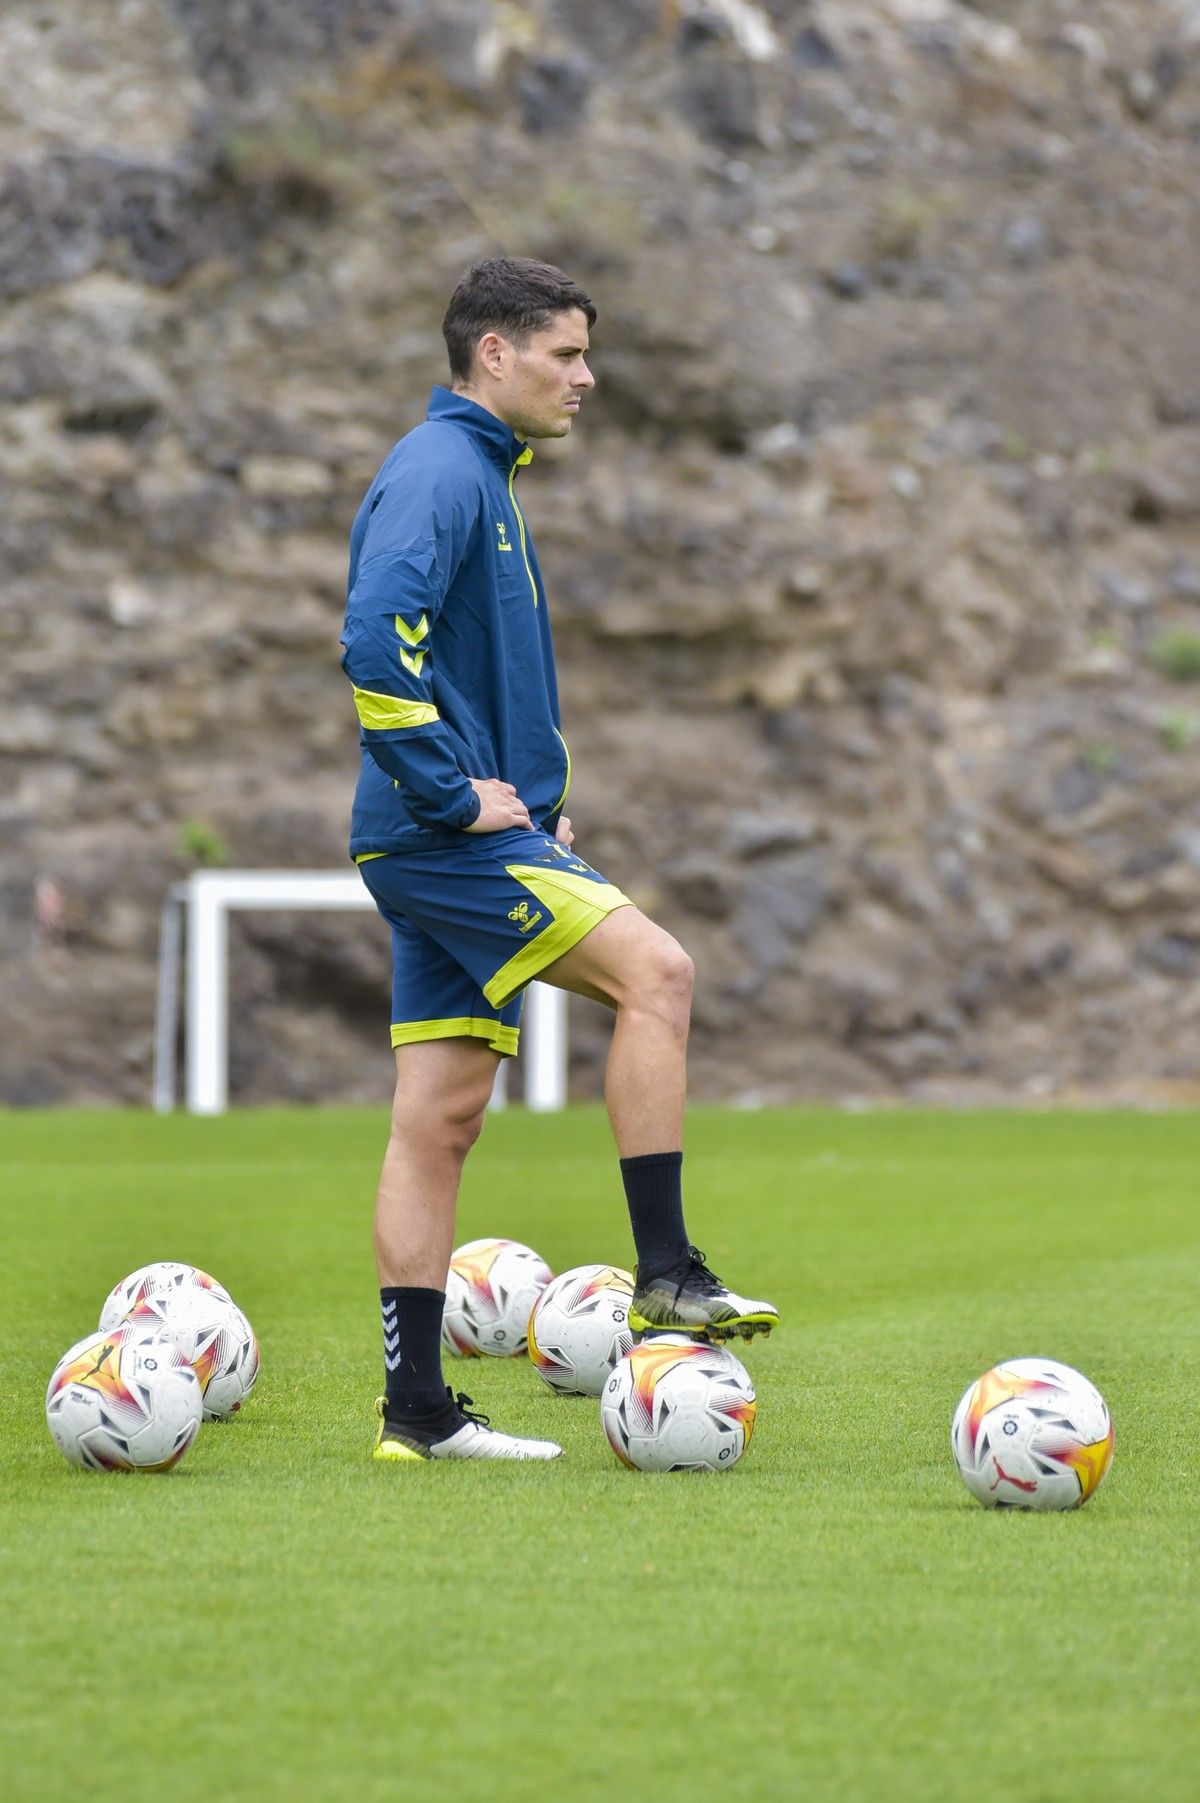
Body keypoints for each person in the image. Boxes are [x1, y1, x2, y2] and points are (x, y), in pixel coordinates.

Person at [340, 256, 778, 1463]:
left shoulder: (477, 472)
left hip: (446, 838)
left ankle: (417, 1412)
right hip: (439, 840)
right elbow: (376, 638)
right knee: (660, 974)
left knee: (440, 1117)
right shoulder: (440, 471)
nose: (587, 376)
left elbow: (461, 668)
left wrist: (529, 802)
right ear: (495, 352)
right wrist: (453, 795)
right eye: (566, 353)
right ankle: (669, 1273)